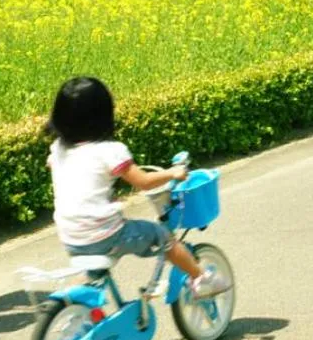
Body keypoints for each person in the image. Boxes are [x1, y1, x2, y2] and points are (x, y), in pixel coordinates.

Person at [46, 76, 231, 296]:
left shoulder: (58, 148)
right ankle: (201, 278)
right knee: (163, 237)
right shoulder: (110, 151)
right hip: (104, 235)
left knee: (94, 275)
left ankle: (75, 306)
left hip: (70, 236)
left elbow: (67, 174)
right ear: (102, 115)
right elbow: (143, 181)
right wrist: (173, 173)